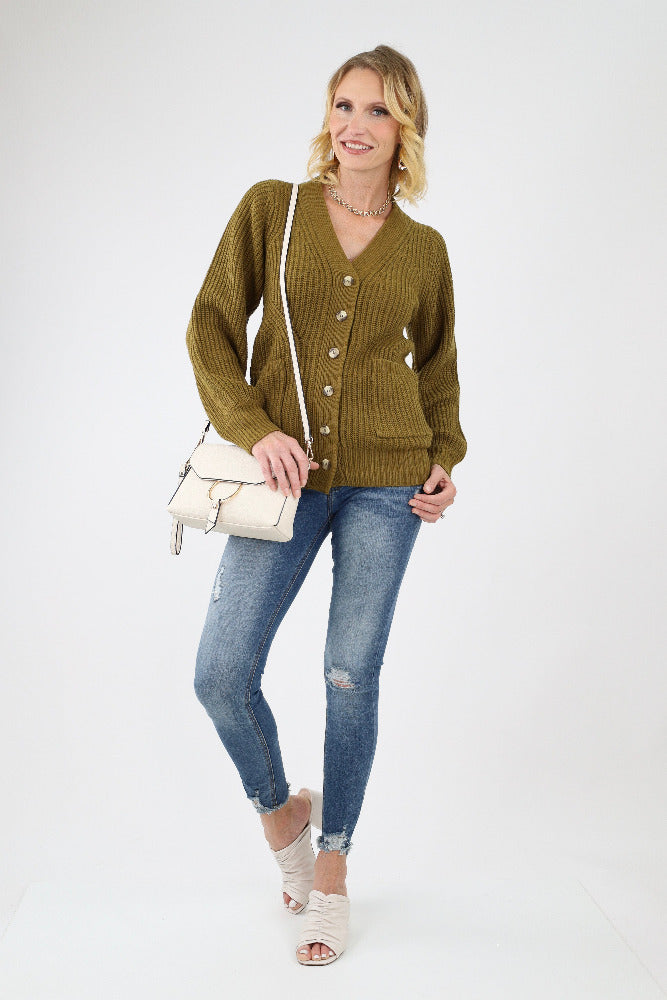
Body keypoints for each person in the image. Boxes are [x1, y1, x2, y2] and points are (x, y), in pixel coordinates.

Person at [185, 44, 467, 966]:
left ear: (405, 128)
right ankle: (284, 821)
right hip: (284, 478)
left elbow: (438, 372)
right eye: (344, 105)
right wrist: (253, 427)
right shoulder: (273, 208)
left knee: (350, 674)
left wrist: (444, 460)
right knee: (221, 673)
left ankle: (334, 871)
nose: (355, 124)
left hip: (390, 484)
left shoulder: (423, 250)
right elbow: (210, 329)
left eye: (378, 110)